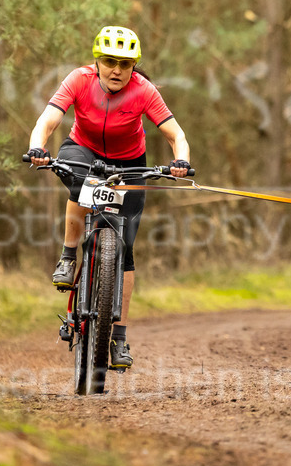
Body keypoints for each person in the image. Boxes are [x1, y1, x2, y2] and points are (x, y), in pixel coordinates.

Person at [26, 26, 190, 369]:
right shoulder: (79, 79)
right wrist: (37, 146)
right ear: (97, 62)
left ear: (134, 67)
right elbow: (49, 118)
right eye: (110, 61)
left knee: (126, 247)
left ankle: (118, 338)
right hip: (83, 149)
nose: (117, 70)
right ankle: (69, 256)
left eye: (125, 64)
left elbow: (176, 134)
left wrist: (181, 162)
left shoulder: (144, 91)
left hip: (130, 161)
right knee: (79, 183)